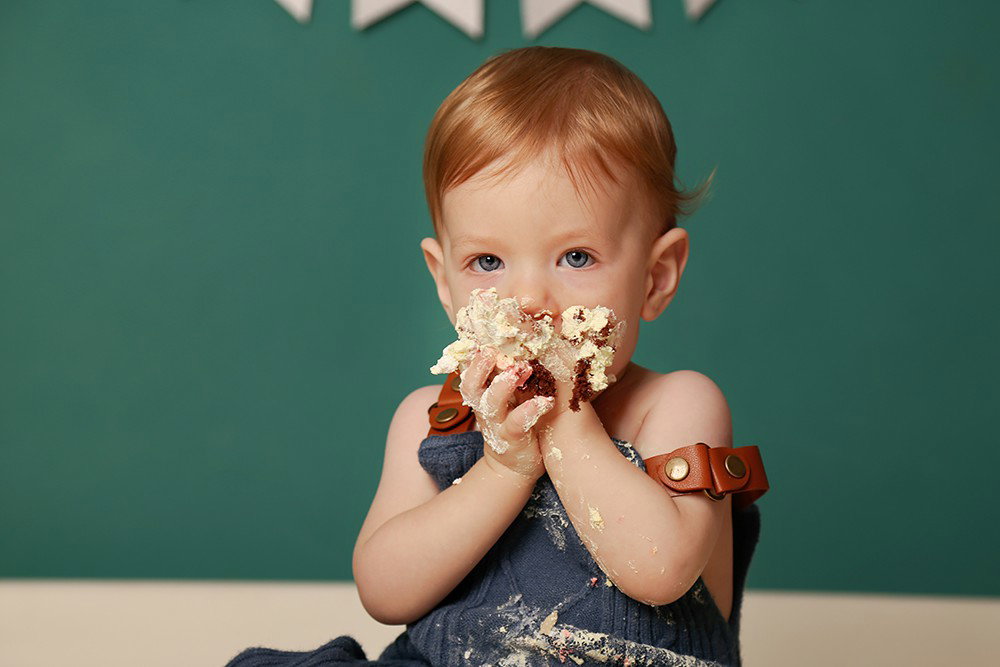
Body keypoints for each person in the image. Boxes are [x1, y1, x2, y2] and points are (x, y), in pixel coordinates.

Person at [226, 45, 764, 667]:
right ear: (444, 281)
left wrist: (566, 424)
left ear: (656, 276)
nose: (529, 299)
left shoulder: (677, 405)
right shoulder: (434, 417)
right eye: (487, 262)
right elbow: (384, 591)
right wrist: (503, 470)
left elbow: (660, 568)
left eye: (576, 257)